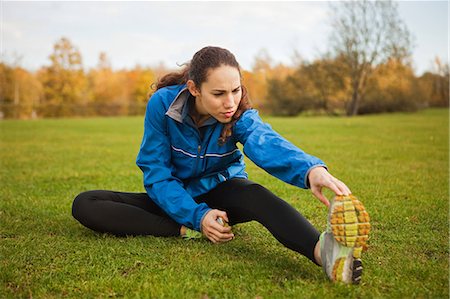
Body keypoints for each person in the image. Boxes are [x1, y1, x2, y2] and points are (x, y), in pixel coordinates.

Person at [72, 46, 370, 284]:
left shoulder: (239, 112)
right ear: (194, 88)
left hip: (224, 196)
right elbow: (157, 174)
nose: (230, 102)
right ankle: (187, 230)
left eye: (236, 90)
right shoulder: (162, 105)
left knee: (254, 193)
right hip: (177, 199)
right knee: (86, 203)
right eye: (219, 94)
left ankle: (325, 254)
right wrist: (197, 217)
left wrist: (310, 170)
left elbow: (263, 140)